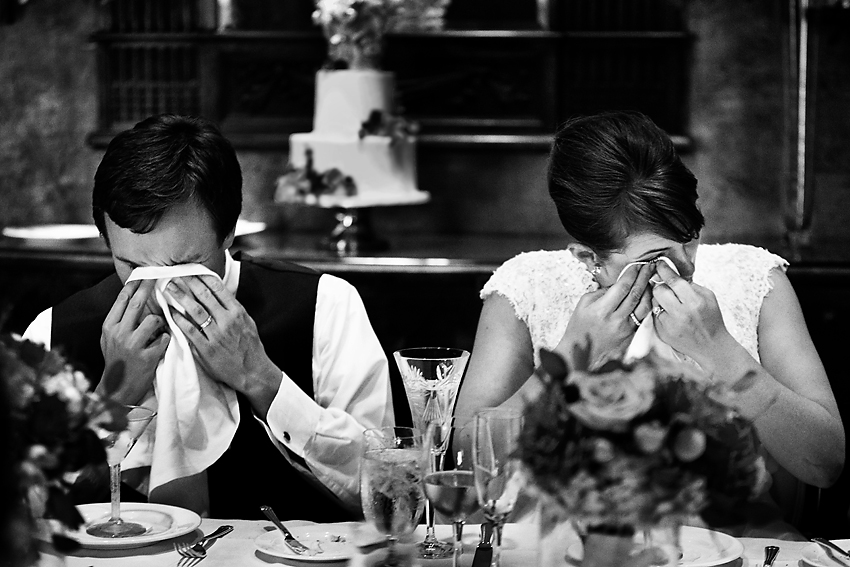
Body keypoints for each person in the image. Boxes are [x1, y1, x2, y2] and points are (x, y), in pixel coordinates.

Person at [453, 111, 845, 535]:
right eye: (655, 259)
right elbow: (465, 468)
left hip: (737, 548)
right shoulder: (527, 286)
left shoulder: (755, 279)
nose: (685, 268)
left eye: (690, 237)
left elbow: (825, 464)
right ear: (588, 257)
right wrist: (570, 359)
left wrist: (721, 352)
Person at [23, 114, 395, 522]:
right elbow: (28, 508)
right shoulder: (53, 331)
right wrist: (114, 398)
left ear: (229, 232)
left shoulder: (326, 305)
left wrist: (261, 379)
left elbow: (384, 489)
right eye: (132, 266)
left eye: (183, 264)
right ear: (106, 239)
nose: (160, 286)